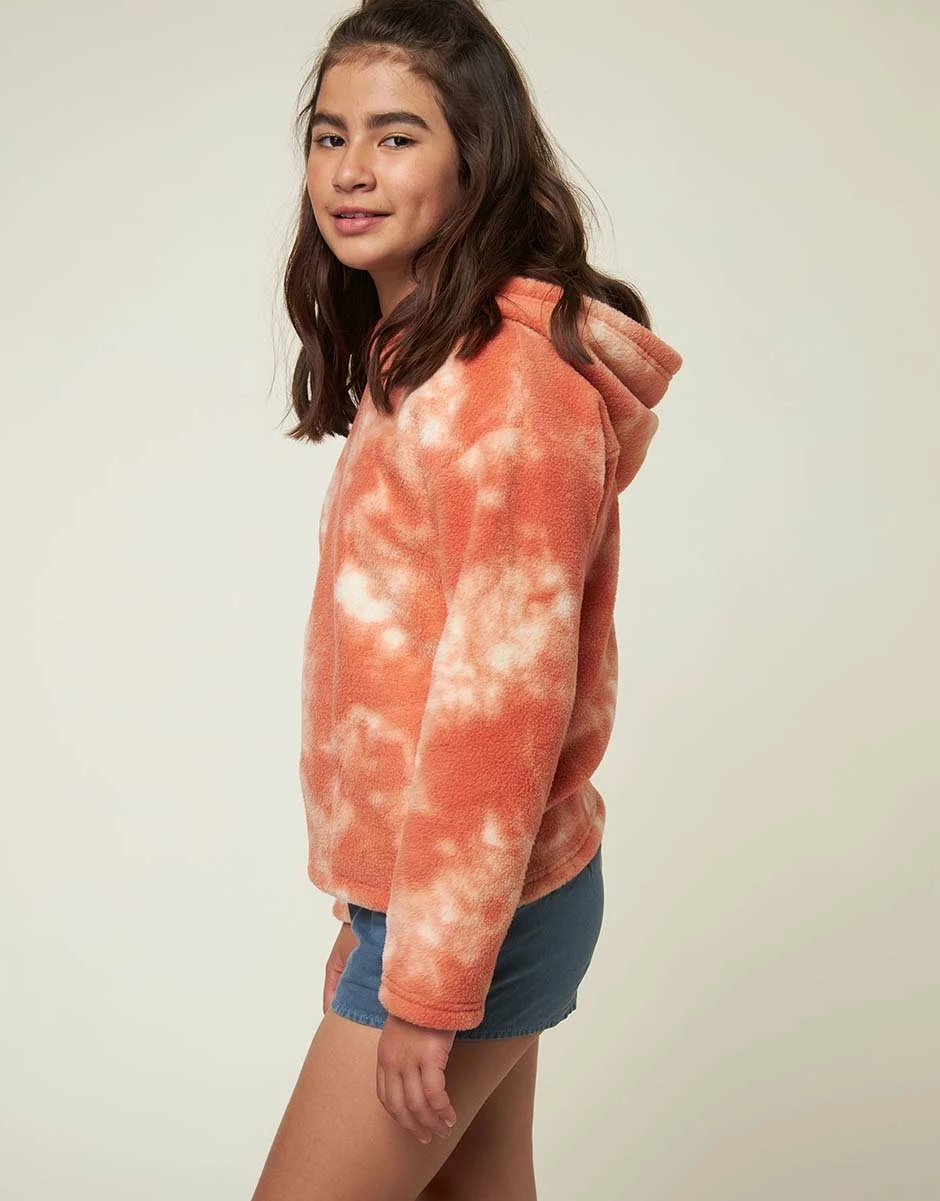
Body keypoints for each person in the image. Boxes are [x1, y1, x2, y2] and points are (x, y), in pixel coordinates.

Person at [251, 1, 683, 1198]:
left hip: (475, 913)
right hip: (449, 901)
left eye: (396, 136)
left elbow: (500, 712)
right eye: (330, 134)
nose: (351, 169)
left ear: (472, 160)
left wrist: (427, 980)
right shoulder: (425, 359)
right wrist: (373, 909)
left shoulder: (506, 389)